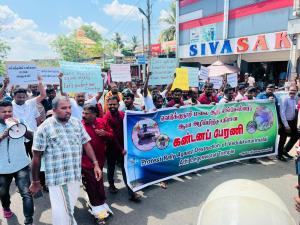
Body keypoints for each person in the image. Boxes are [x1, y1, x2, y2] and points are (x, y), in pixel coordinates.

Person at [29, 96, 101, 225]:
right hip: (58, 179)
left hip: (75, 175)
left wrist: (95, 163)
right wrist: (35, 181)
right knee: (66, 212)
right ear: (54, 110)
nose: (68, 111)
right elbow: (36, 156)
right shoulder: (44, 128)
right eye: (64, 108)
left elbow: (86, 143)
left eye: (69, 107)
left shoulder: (76, 123)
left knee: (66, 210)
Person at [0, 100, 34, 225]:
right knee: (3, 193)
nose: (7, 114)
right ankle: (6, 207)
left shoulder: (19, 121)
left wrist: (21, 128)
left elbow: (32, 137)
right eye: (4, 112)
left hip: (21, 165)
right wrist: (3, 136)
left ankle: (29, 221)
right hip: (2, 168)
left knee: (26, 193)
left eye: (9, 111)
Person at [103, 96, 141, 202]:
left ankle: (131, 193)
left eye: (114, 104)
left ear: (118, 105)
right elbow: (112, 135)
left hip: (123, 148)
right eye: (110, 105)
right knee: (111, 168)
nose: (112, 106)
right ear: (107, 105)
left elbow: (131, 122)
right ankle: (111, 185)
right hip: (111, 148)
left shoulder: (122, 114)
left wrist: (146, 113)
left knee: (125, 169)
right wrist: (121, 148)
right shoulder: (106, 117)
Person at [82, 104, 113, 223]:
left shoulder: (102, 122)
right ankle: (98, 213)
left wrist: (105, 134)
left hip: (100, 160)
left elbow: (112, 135)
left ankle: (101, 203)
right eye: (83, 113)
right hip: (85, 160)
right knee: (92, 184)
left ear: (95, 114)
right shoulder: (80, 125)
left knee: (98, 181)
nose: (84, 116)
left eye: (87, 113)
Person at [12, 76, 46, 158]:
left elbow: (43, 95)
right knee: (21, 161)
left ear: (26, 97)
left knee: (36, 158)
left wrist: (40, 82)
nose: (22, 99)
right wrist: (5, 86)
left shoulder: (30, 103)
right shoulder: (10, 106)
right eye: (19, 97)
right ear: (14, 96)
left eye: (23, 97)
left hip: (33, 136)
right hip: (18, 138)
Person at [277, 85, 298, 161]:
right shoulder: (285, 98)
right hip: (285, 122)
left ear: (296, 91)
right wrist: (286, 125)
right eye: (291, 90)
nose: (292, 92)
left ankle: (285, 150)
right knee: (283, 139)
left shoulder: (294, 99)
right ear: (288, 90)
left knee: (296, 136)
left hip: (292, 122)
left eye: (294, 91)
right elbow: (282, 112)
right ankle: (279, 155)